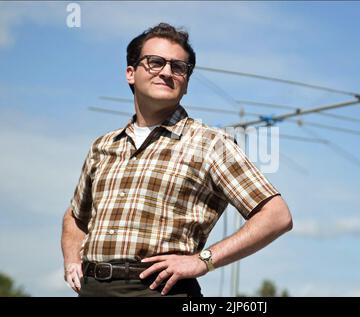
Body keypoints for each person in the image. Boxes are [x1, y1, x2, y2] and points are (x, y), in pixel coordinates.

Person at [61, 22, 293, 297]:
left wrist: (203, 260)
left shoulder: (209, 143)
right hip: (93, 290)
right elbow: (75, 216)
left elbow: (276, 216)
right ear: (130, 73)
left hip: (161, 290)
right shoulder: (103, 146)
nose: (167, 72)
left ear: (186, 84)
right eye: (155, 62)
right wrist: (72, 259)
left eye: (178, 67)